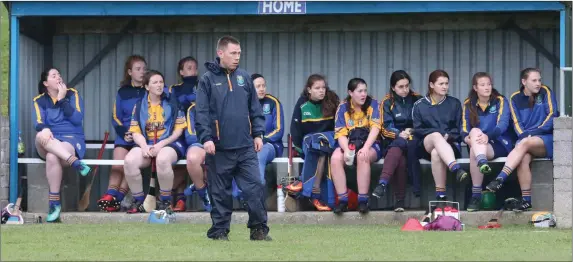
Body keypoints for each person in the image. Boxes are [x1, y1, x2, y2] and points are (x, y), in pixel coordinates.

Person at [195, 35, 271, 241]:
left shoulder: (244, 77)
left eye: (239, 53)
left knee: (255, 187)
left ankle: (259, 230)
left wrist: (258, 134)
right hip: (218, 148)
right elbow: (200, 112)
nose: (237, 57)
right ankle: (219, 232)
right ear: (221, 53)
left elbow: (255, 108)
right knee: (220, 193)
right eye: (233, 53)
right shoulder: (207, 80)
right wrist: (206, 138)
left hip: (246, 147)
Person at [486, 68, 559, 211]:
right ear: (524, 82)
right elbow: (517, 124)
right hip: (526, 140)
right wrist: (525, 135)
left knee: (523, 144)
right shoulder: (514, 98)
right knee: (523, 156)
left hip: (545, 139)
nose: (538, 83)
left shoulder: (546, 92)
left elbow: (552, 116)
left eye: (539, 80)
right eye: (534, 80)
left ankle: (500, 178)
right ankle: (526, 200)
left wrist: (534, 132)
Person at [123, 70, 187, 213]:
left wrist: (161, 145)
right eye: (155, 82)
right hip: (147, 142)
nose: (159, 85)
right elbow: (135, 131)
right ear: (147, 87)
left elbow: (178, 131)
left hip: (169, 142)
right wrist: (144, 146)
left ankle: (164, 201)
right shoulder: (139, 105)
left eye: (161, 82)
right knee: (129, 161)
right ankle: (138, 201)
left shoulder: (172, 102)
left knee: (163, 159)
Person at [33, 67, 91, 222]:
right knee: (40, 135)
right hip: (50, 139)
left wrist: (62, 100)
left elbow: (77, 119)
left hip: (71, 139)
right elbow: (38, 122)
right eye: (54, 75)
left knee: (53, 156)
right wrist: (44, 129)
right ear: (46, 83)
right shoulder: (39, 100)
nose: (58, 77)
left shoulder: (72, 94)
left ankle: (54, 204)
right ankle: (75, 163)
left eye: (59, 74)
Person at [98, 55, 147, 212]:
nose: (142, 72)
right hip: (125, 135)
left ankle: (115, 198)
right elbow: (115, 117)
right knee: (117, 165)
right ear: (130, 72)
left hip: (142, 137)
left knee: (129, 164)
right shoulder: (122, 92)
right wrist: (125, 132)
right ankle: (110, 195)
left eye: (144, 69)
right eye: (138, 69)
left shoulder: (150, 90)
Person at [285, 74, 340, 211]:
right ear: (309, 90)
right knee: (318, 147)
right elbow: (295, 129)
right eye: (317, 88)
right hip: (310, 144)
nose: (322, 91)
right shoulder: (302, 104)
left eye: (323, 88)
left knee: (320, 143)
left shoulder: (331, 101)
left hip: (329, 140)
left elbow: (338, 127)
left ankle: (303, 183)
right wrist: (299, 150)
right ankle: (316, 195)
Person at [412, 69, 468, 203]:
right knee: (436, 136)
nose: (445, 87)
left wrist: (448, 136)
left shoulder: (454, 103)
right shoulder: (419, 105)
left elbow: (460, 128)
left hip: (450, 145)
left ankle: (440, 195)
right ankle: (455, 168)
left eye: (446, 83)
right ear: (431, 85)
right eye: (441, 83)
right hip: (425, 146)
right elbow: (417, 130)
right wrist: (438, 134)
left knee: (437, 153)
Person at [461, 72, 514, 212]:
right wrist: (467, 138)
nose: (487, 87)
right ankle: (482, 161)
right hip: (479, 145)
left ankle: (476, 195)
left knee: (474, 149)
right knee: (474, 133)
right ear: (475, 88)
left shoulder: (500, 101)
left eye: (489, 84)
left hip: (499, 142)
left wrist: (487, 136)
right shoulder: (468, 104)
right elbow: (464, 129)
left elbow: (502, 125)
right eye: (483, 85)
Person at [372, 70, 423, 212]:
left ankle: (382, 184)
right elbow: (385, 127)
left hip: (415, 142)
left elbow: (424, 122)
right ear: (393, 87)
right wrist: (398, 134)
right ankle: (399, 201)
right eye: (401, 87)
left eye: (407, 86)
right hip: (395, 140)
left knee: (400, 148)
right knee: (399, 158)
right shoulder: (387, 102)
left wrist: (411, 131)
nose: (405, 90)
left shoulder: (418, 99)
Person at [231, 73, 285, 206]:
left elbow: (279, 130)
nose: (262, 89)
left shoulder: (273, 102)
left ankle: (255, 194)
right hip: (247, 145)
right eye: (258, 86)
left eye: (263, 86)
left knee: (259, 154)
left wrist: (261, 139)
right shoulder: (242, 104)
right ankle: (241, 194)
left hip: (270, 145)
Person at [330, 78, 382, 214]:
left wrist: (365, 148)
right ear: (350, 93)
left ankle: (363, 201)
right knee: (335, 158)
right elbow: (340, 133)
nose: (363, 94)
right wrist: (347, 150)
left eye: (365, 90)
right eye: (359, 91)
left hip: (371, 144)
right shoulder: (343, 107)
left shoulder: (373, 104)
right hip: (351, 143)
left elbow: (376, 129)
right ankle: (342, 201)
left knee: (362, 156)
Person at [169, 56, 200, 212]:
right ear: (181, 72)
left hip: (197, 133)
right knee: (177, 165)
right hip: (180, 133)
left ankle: (177, 196)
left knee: (193, 161)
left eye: (195, 67)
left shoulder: (204, 86)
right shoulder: (174, 89)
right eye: (189, 68)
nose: (193, 70)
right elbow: (172, 109)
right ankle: (177, 199)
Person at [183, 101, 212, 212]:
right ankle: (202, 192)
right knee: (192, 159)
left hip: (221, 144)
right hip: (201, 143)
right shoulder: (193, 109)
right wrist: (207, 140)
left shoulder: (225, 104)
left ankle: (197, 185)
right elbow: (190, 136)